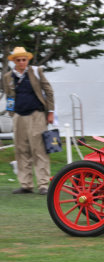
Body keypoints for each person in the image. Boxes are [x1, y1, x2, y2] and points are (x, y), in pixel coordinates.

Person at [3, 47, 55, 195]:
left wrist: (50, 112)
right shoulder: (8, 76)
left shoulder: (36, 72)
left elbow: (49, 91)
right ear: (14, 61)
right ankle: (26, 185)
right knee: (21, 150)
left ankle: (43, 184)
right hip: (18, 115)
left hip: (36, 114)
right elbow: (9, 96)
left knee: (39, 150)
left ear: (27, 60)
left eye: (23, 59)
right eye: (18, 60)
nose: (21, 62)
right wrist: (11, 112)